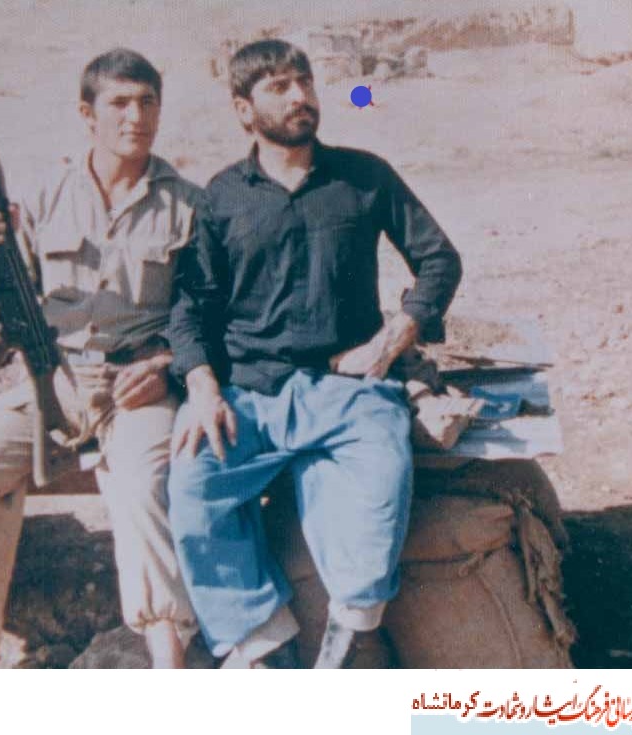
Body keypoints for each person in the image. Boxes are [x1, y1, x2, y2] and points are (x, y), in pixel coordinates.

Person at [166, 39, 462, 668]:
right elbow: (191, 305)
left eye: (303, 81)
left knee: (381, 491)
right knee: (193, 485)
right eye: (278, 87)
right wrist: (203, 387)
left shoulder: (364, 176)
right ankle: (262, 644)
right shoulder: (222, 197)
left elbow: (438, 260)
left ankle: (346, 644)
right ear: (243, 109)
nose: (300, 95)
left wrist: (392, 340)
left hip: (348, 389)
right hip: (249, 391)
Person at [0, 48, 202, 668]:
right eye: (120, 102)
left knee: (145, 492)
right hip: (51, 377)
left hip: (137, 387)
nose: (136, 116)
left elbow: (205, 316)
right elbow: (6, 302)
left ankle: (169, 663)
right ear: (86, 113)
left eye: (148, 102)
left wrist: (166, 368)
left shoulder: (188, 205)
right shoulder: (42, 197)